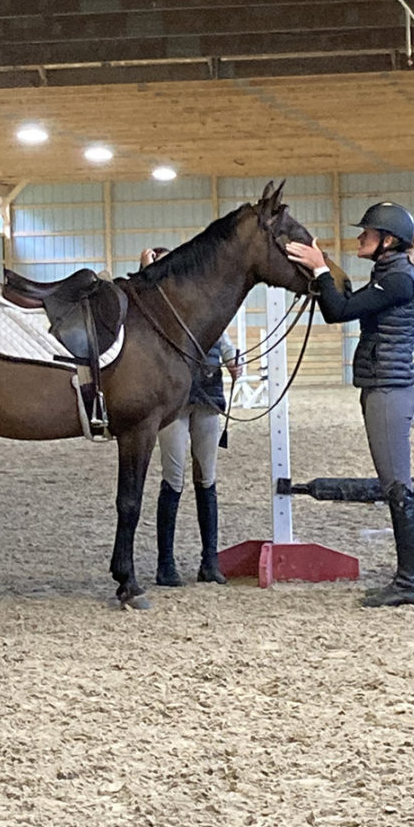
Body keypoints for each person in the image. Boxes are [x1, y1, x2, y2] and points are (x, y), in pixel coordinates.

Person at [286, 203, 414, 608]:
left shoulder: (399, 280)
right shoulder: (390, 273)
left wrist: (320, 269)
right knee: (395, 483)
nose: (360, 238)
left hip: (388, 389)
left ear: (388, 241)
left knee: (397, 485)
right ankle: (412, 578)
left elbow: (339, 312)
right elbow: (347, 302)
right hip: (381, 385)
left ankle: (409, 581)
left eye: (367, 233)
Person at [139, 247, 244, 587]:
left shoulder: (200, 304)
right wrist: (146, 273)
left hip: (208, 394)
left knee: (207, 477)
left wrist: (230, 357)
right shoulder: (157, 309)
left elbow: (222, 334)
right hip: (174, 399)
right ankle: (165, 563)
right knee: (174, 476)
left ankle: (209, 560)